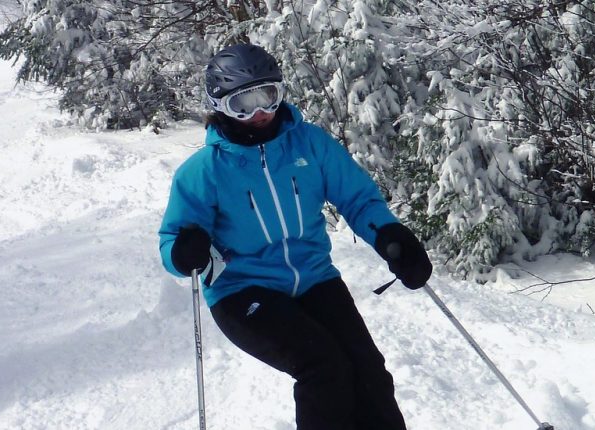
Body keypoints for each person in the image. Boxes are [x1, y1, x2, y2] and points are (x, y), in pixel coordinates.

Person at [157, 43, 433, 430]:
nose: (259, 113)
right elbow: (172, 240)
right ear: (219, 105)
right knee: (324, 368)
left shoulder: (311, 145)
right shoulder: (204, 171)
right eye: (244, 103)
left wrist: (390, 236)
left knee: (368, 371)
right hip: (242, 291)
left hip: (314, 278)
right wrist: (184, 253)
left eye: (268, 96)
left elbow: (357, 198)